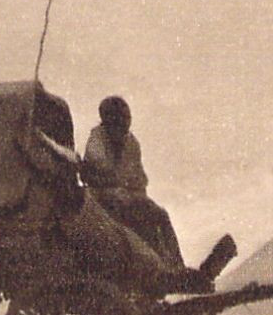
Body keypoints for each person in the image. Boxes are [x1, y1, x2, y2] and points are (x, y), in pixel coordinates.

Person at [82, 96, 235, 288]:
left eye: (125, 121)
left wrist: (132, 194)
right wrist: (121, 188)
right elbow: (97, 174)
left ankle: (174, 268)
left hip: (129, 198)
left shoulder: (131, 143)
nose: (123, 127)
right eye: (119, 121)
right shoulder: (97, 139)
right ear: (107, 121)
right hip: (102, 201)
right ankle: (165, 270)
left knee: (158, 215)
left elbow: (139, 179)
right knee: (148, 219)